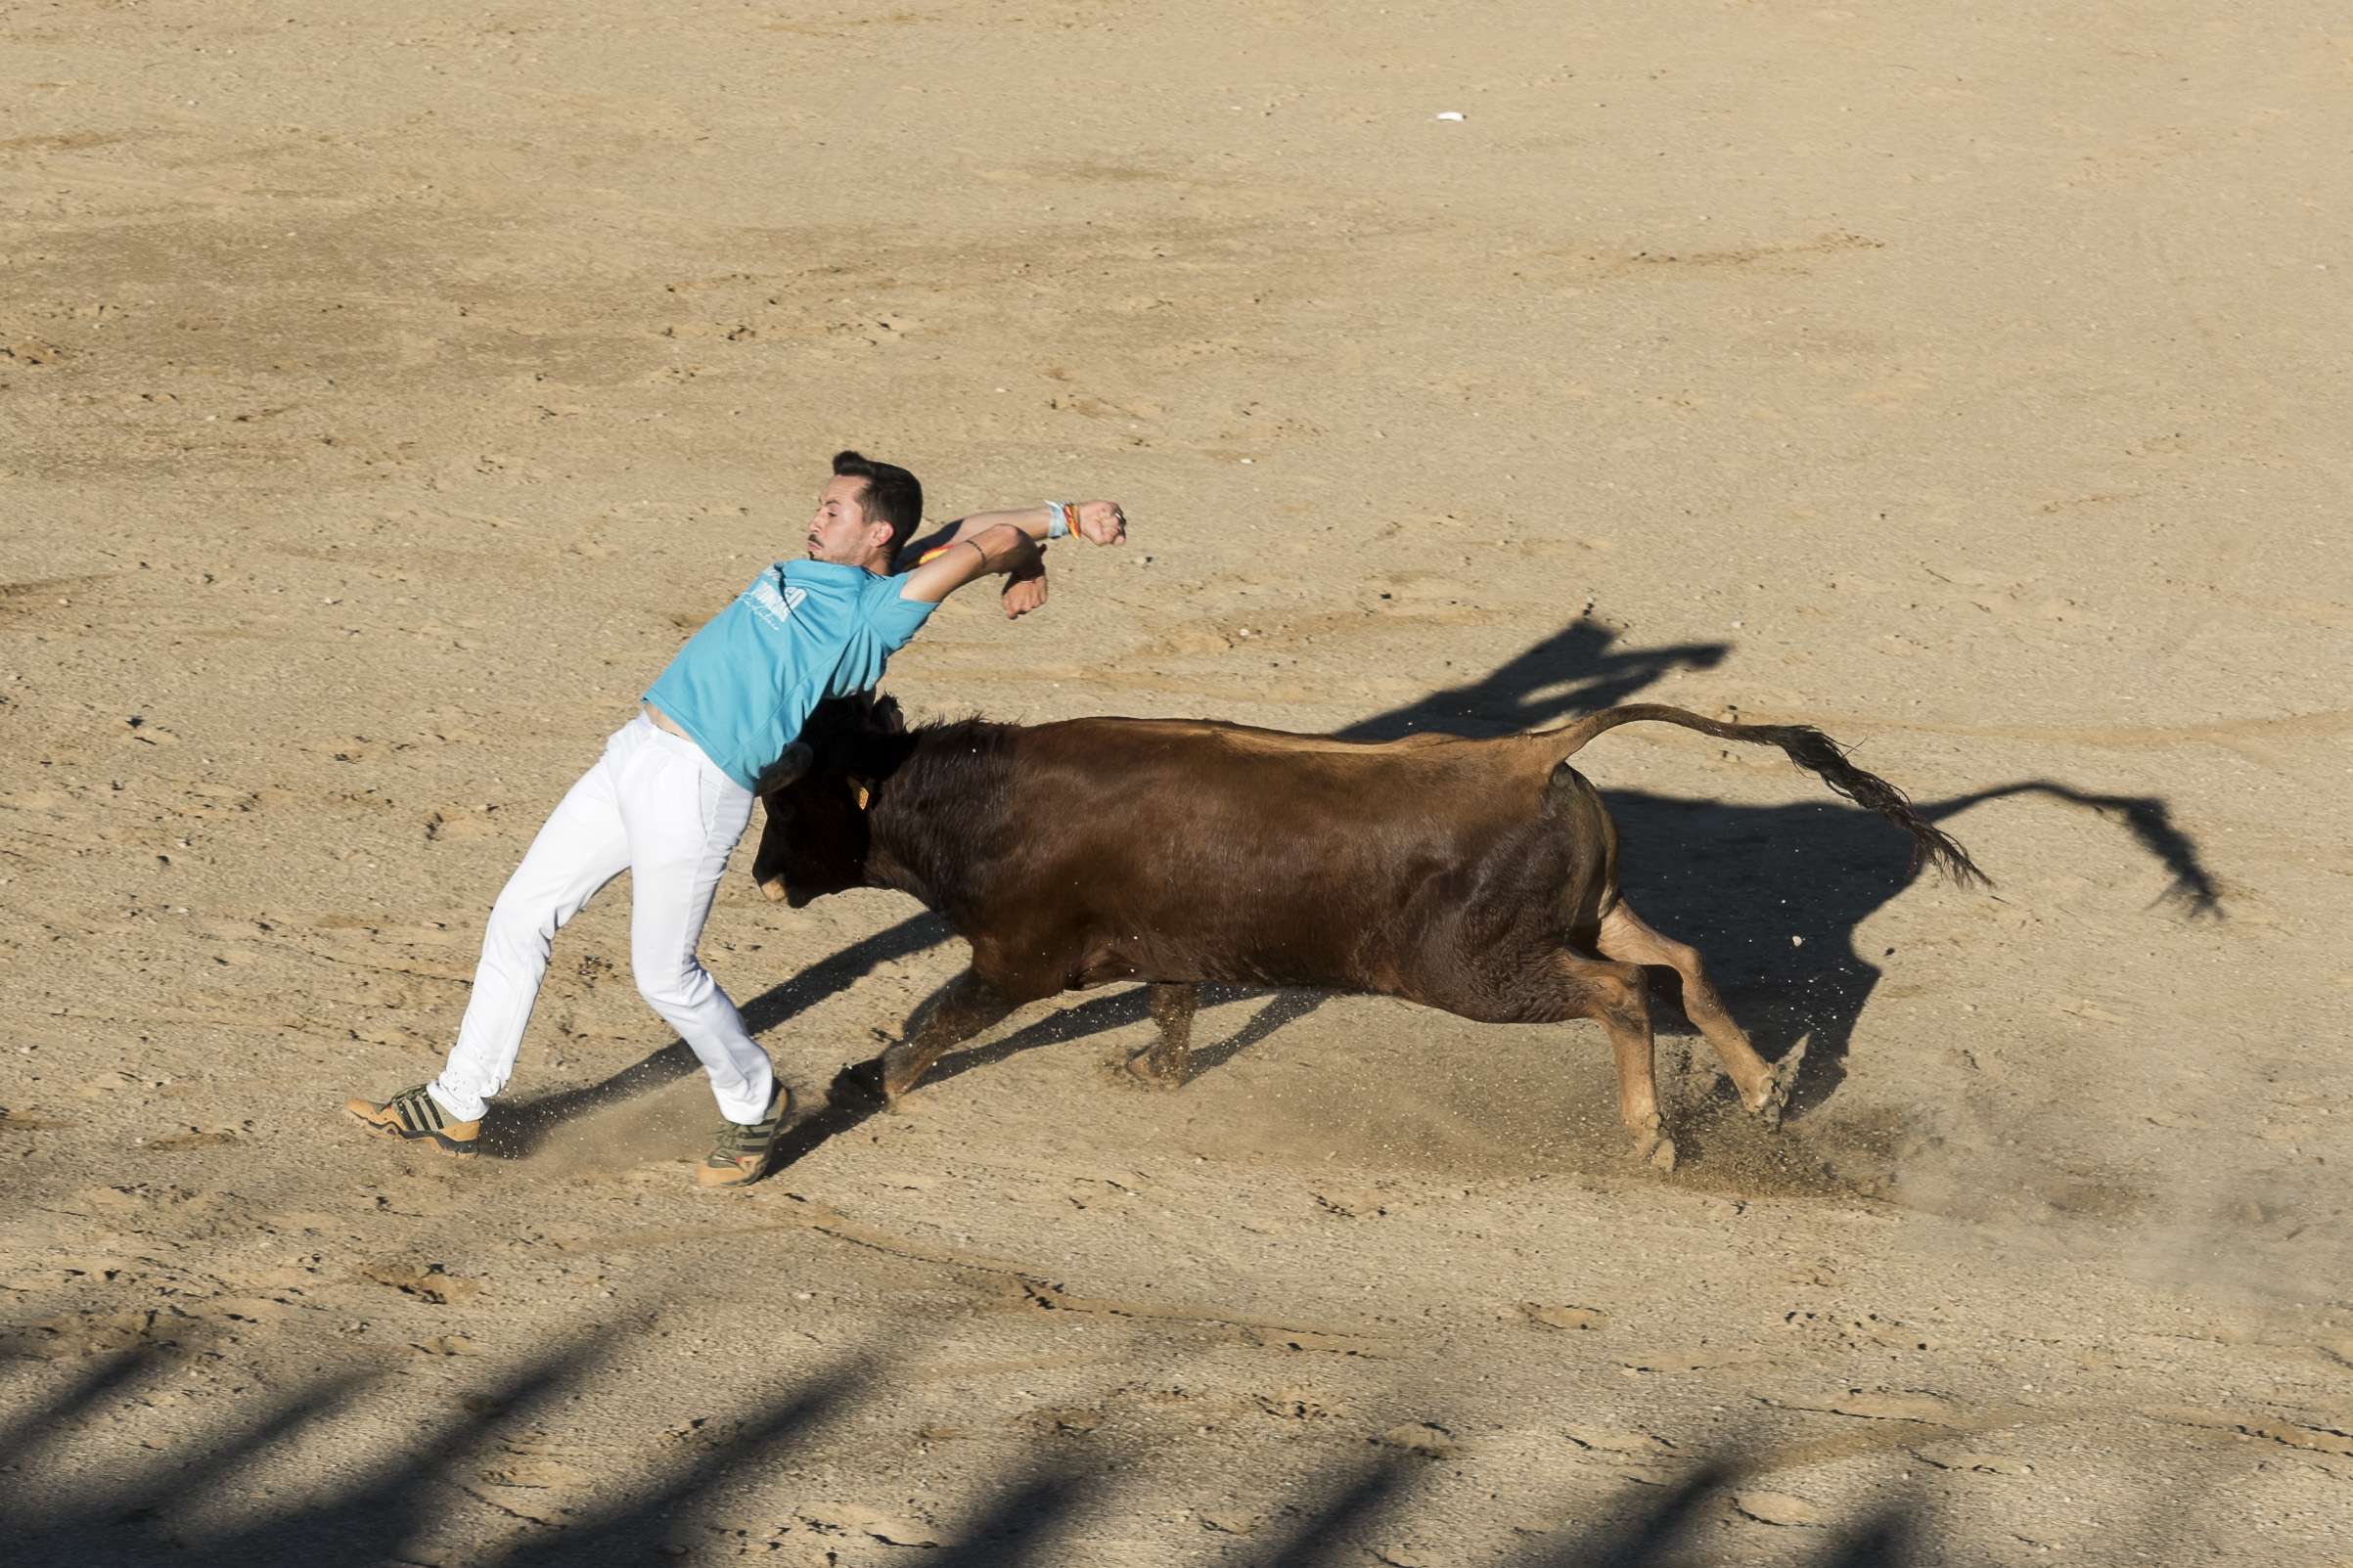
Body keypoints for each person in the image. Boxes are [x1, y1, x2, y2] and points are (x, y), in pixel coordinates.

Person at [346, 451, 1128, 1186]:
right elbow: (964, 531)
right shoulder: (834, 572)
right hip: (633, 751)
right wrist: (1028, 535)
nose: (815, 516)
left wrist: (1049, 532)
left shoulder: (879, 611)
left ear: (875, 532)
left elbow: (979, 542)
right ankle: (459, 1098)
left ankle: (755, 1102)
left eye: (833, 507)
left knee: (664, 974)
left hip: (697, 783)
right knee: (520, 913)